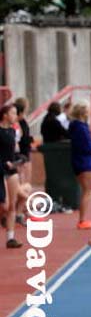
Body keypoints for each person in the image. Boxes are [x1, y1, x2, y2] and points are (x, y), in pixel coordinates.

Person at [0, 103, 31, 248]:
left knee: (12, 204)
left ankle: (10, 238)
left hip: (11, 170)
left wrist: (19, 159)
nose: (15, 116)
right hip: (0, 169)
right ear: (5, 115)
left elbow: (13, 151)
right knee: (4, 206)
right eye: (12, 113)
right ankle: (3, 219)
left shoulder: (13, 131)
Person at [68, 101, 91, 229]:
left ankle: (82, 219)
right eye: (87, 109)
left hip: (80, 160)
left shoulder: (78, 126)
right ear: (83, 112)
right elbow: (87, 146)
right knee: (86, 191)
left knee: (85, 190)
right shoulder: (80, 127)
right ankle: (82, 220)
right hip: (83, 162)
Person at [14, 97, 33, 187]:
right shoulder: (18, 122)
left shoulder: (22, 121)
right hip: (22, 151)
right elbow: (21, 136)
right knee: (23, 177)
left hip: (24, 150)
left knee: (25, 178)